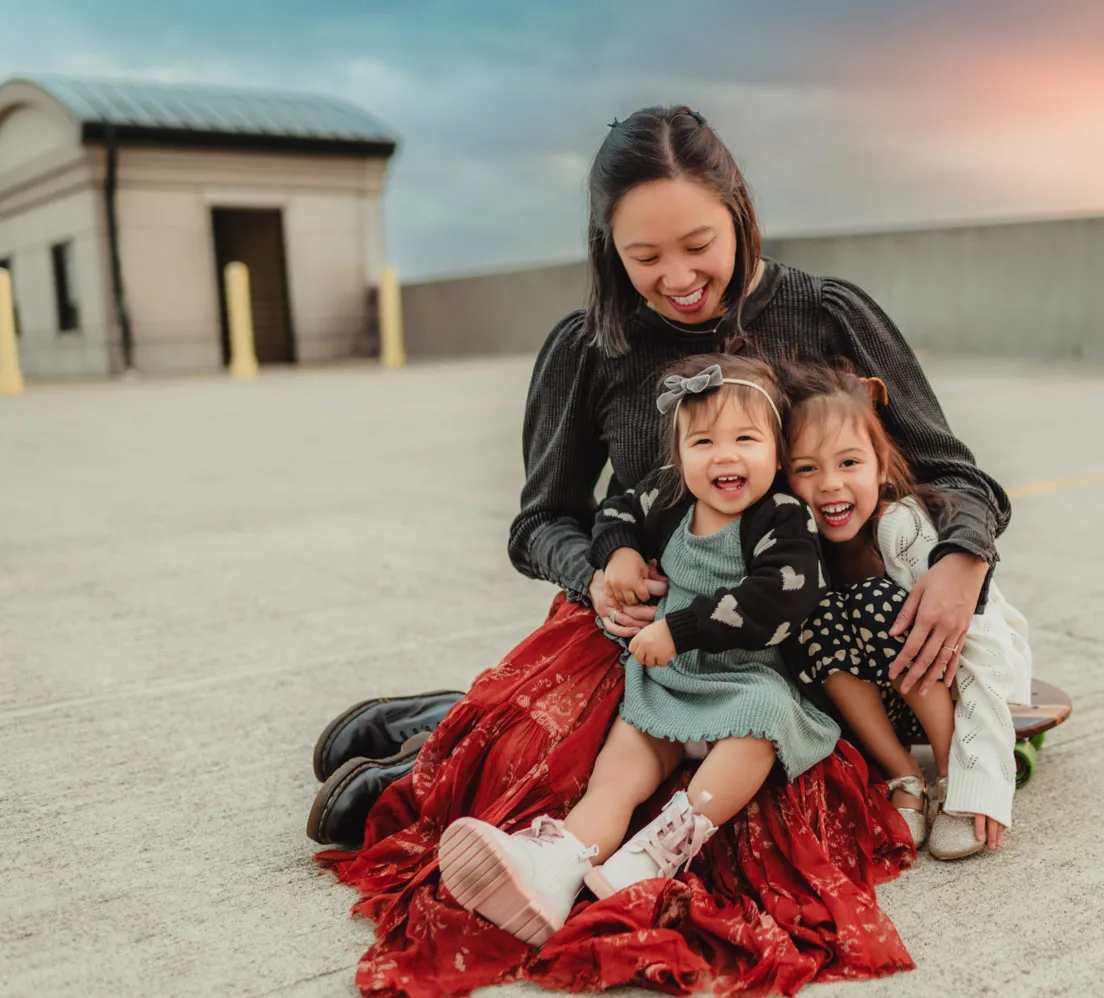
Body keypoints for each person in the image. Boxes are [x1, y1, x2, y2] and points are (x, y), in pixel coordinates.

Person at [312, 104, 1011, 997]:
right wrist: (598, 571)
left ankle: (437, 736)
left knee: (742, 815)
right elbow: (541, 522)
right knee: (562, 759)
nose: (678, 278)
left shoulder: (823, 312)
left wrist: (961, 566)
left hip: (791, 640)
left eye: (697, 244)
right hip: (638, 627)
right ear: (609, 248)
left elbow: (958, 474)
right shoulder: (592, 346)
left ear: (739, 210)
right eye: (644, 258)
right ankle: (442, 741)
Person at [438, 354, 841, 944]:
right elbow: (615, 510)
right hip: (669, 679)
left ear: (777, 454)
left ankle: (655, 855)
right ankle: (558, 867)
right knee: (620, 771)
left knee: (761, 728)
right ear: (679, 457)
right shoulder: (669, 497)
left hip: (744, 677)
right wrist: (621, 552)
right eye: (702, 441)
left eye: (746, 439)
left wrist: (680, 629)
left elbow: (780, 597)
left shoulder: (781, 516)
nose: (724, 455)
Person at [782, 361, 1034, 860]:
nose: (830, 484)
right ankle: (905, 775)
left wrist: (980, 775)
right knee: (820, 615)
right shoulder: (797, 539)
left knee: (876, 601)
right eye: (807, 468)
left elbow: (979, 649)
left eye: (849, 463)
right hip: (889, 698)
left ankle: (948, 776)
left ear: (880, 466)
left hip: (963, 674)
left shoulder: (902, 528)